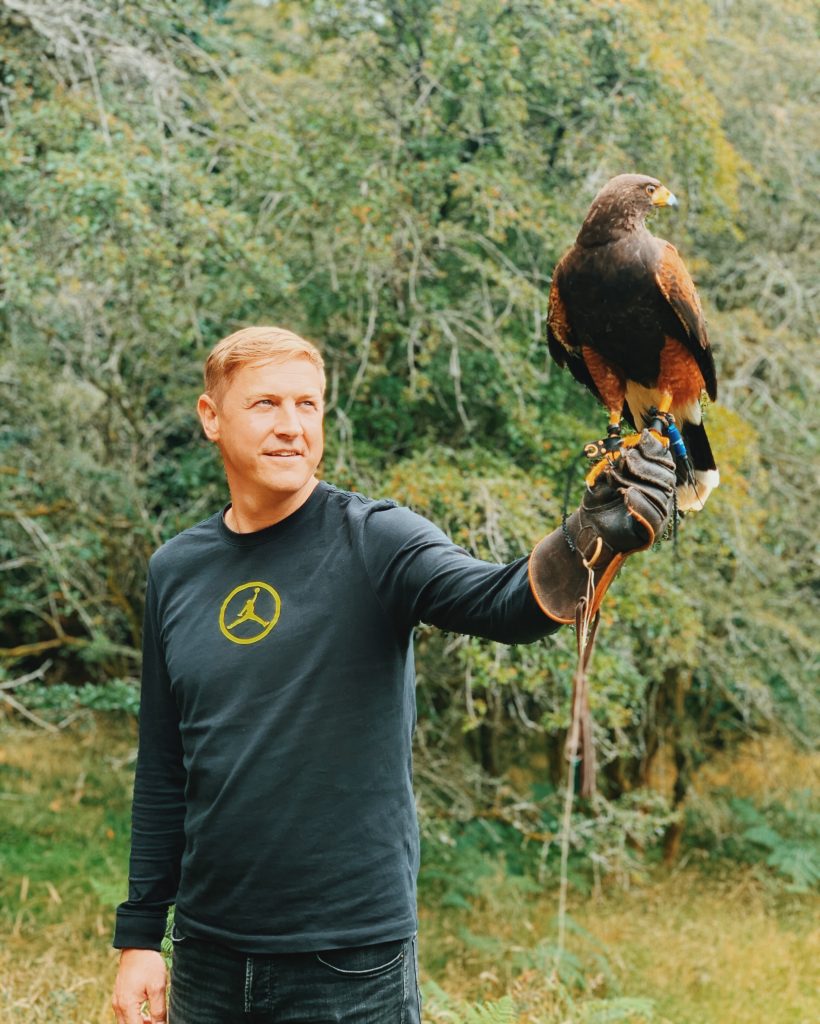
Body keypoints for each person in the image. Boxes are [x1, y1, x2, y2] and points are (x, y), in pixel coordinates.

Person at [111, 326, 675, 1024]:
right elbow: (164, 768)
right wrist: (141, 936)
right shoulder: (176, 569)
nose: (291, 427)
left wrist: (587, 538)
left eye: (308, 405)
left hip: (349, 961)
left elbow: (502, 604)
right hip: (208, 957)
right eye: (264, 405)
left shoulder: (375, 539)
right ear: (211, 418)